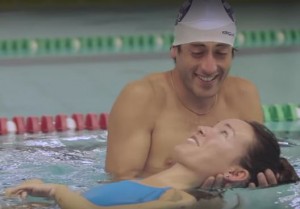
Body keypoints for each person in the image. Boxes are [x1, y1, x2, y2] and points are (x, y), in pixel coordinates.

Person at [105, 0, 274, 187]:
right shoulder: (142, 97)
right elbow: (118, 186)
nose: (209, 67)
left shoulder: (244, 95)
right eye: (197, 52)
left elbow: (254, 170)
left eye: (220, 53)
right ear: (175, 51)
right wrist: (193, 193)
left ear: (232, 54)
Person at [6, 119, 299, 209]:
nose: (204, 129)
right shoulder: (141, 183)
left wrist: (55, 191)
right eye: (214, 124)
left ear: (234, 172)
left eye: (223, 133)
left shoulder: (177, 199)